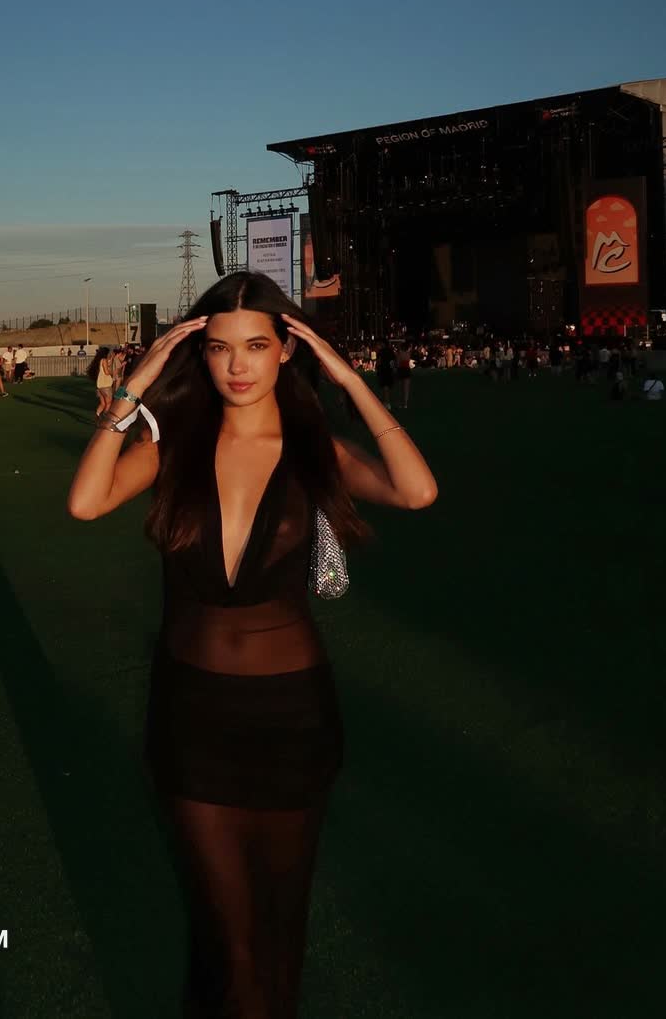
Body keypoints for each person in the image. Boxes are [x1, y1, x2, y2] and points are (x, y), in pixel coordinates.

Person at [67, 271, 438, 1017]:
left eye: (257, 346)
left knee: (278, 931)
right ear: (199, 355)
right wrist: (132, 390)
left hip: (293, 719)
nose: (237, 364)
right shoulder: (174, 447)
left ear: (286, 351)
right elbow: (86, 501)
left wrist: (349, 380)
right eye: (219, 348)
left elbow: (416, 489)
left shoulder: (313, 450)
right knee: (231, 942)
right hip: (191, 718)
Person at [87, 346, 114, 418]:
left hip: (100, 385)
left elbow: (107, 366)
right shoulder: (104, 360)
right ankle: (104, 418)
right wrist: (113, 373)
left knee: (103, 404)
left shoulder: (100, 360)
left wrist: (111, 359)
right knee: (109, 403)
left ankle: (97, 415)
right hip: (106, 385)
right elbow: (106, 372)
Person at [375, 342, 396, 409]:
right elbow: (392, 361)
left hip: (383, 371)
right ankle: (386, 402)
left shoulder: (381, 352)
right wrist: (393, 369)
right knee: (388, 387)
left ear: (382, 344)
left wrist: (377, 367)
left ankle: (386, 403)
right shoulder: (391, 351)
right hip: (389, 370)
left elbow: (379, 361)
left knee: (385, 387)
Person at [394, 340, 413, 409]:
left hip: (401, 370)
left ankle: (400, 403)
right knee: (406, 388)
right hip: (407, 370)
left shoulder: (399, 354)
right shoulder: (408, 353)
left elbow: (397, 364)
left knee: (400, 388)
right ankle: (405, 404)